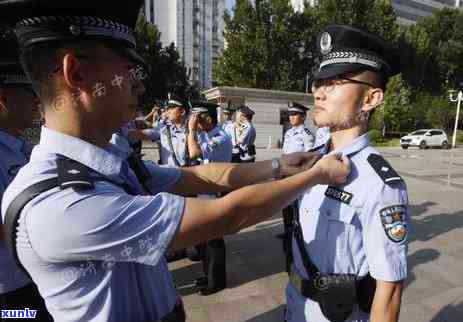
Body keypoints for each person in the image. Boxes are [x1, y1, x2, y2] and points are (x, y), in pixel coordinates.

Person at [0, 2, 350, 321]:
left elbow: (202, 176)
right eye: (129, 70)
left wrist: (279, 167)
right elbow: (228, 215)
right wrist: (316, 175)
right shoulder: (61, 203)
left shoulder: (105, 163)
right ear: (75, 73)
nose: (138, 86)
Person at [285, 25, 409, 322]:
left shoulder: (380, 184)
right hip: (295, 306)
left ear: (371, 99)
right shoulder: (311, 160)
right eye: (319, 81)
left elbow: (389, 291)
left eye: (336, 81)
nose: (319, 92)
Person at [0, 28, 52, 321]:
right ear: (3, 99)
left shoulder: (23, 147)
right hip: (9, 290)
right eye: (28, 94)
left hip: (34, 275)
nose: (36, 101)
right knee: (22, 318)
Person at [187, 101, 232, 295]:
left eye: (198, 117)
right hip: (206, 191)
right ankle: (209, 275)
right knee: (206, 238)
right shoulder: (207, 134)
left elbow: (194, 152)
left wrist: (190, 131)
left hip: (216, 192)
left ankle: (217, 281)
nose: (195, 120)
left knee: (214, 240)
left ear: (209, 118)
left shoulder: (220, 137)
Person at [279, 101, 315, 272]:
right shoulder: (289, 133)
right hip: (286, 174)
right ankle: (288, 234)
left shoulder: (307, 134)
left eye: (294, 115)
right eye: (290, 114)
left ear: (303, 117)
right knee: (286, 207)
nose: (291, 117)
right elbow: (285, 154)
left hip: (297, 175)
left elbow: (309, 158)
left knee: (297, 210)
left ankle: (299, 238)